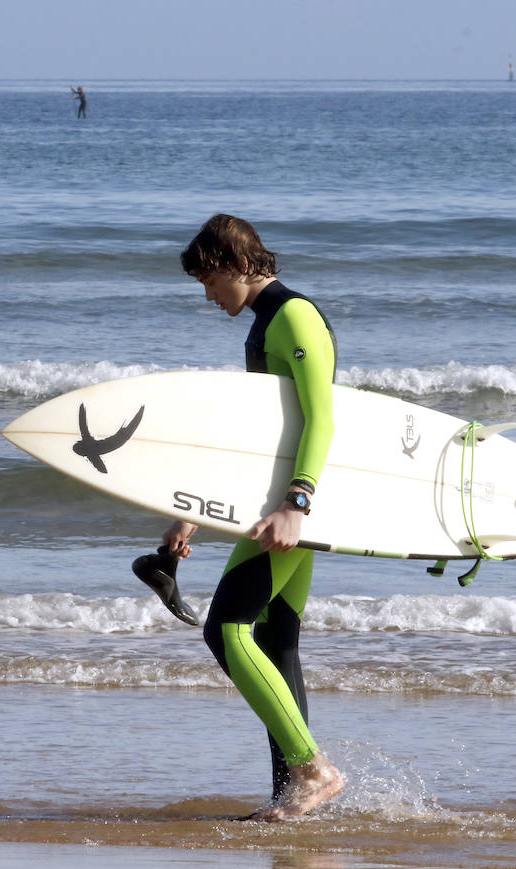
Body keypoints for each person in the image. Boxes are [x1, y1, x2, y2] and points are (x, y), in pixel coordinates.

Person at [161, 214, 345, 821]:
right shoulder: (267, 321)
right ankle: (292, 796)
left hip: (294, 507)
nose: (208, 295)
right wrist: (193, 511)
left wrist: (297, 503)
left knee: (226, 629)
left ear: (240, 264)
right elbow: (268, 434)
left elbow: (322, 418)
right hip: (282, 502)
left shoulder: (293, 316)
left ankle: (312, 768)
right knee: (276, 640)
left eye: (210, 279)